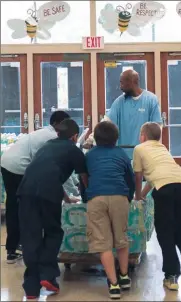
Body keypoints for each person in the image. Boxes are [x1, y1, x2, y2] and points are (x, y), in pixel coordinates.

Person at [17, 118, 88, 299]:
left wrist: (66, 197)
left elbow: (46, 172)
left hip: (25, 191)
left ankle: (31, 288)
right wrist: (87, 197)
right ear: (74, 136)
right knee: (53, 232)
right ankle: (47, 276)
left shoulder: (47, 146)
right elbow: (84, 179)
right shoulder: (74, 150)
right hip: (49, 193)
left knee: (30, 236)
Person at [133, 122, 181, 291]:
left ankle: (171, 276)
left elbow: (139, 175)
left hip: (164, 190)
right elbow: (155, 176)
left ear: (143, 136)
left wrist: (137, 196)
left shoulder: (139, 149)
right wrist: (143, 194)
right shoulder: (162, 148)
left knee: (165, 232)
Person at [1, 110, 70, 264]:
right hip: (19, 167)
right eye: (67, 124)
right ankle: (24, 248)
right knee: (26, 208)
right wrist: (69, 193)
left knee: (13, 205)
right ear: (57, 124)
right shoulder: (53, 137)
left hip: (6, 162)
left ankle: (12, 249)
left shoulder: (44, 132)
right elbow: (56, 169)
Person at [85, 121, 135, 300]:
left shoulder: (89, 155)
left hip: (96, 198)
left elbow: (85, 178)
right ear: (116, 138)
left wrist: (87, 197)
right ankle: (125, 276)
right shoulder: (121, 153)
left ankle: (113, 285)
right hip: (119, 197)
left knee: (102, 241)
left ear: (96, 139)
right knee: (121, 237)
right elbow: (130, 179)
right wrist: (128, 197)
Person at [84, 69, 162, 158]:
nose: (120, 87)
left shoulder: (151, 100)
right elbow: (105, 123)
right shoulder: (119, 102)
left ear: (134, 82)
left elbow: (157, 128)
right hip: (124, 155)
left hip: (145, 155)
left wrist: (154, 151)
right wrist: (90, 140)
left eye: (122, 83)